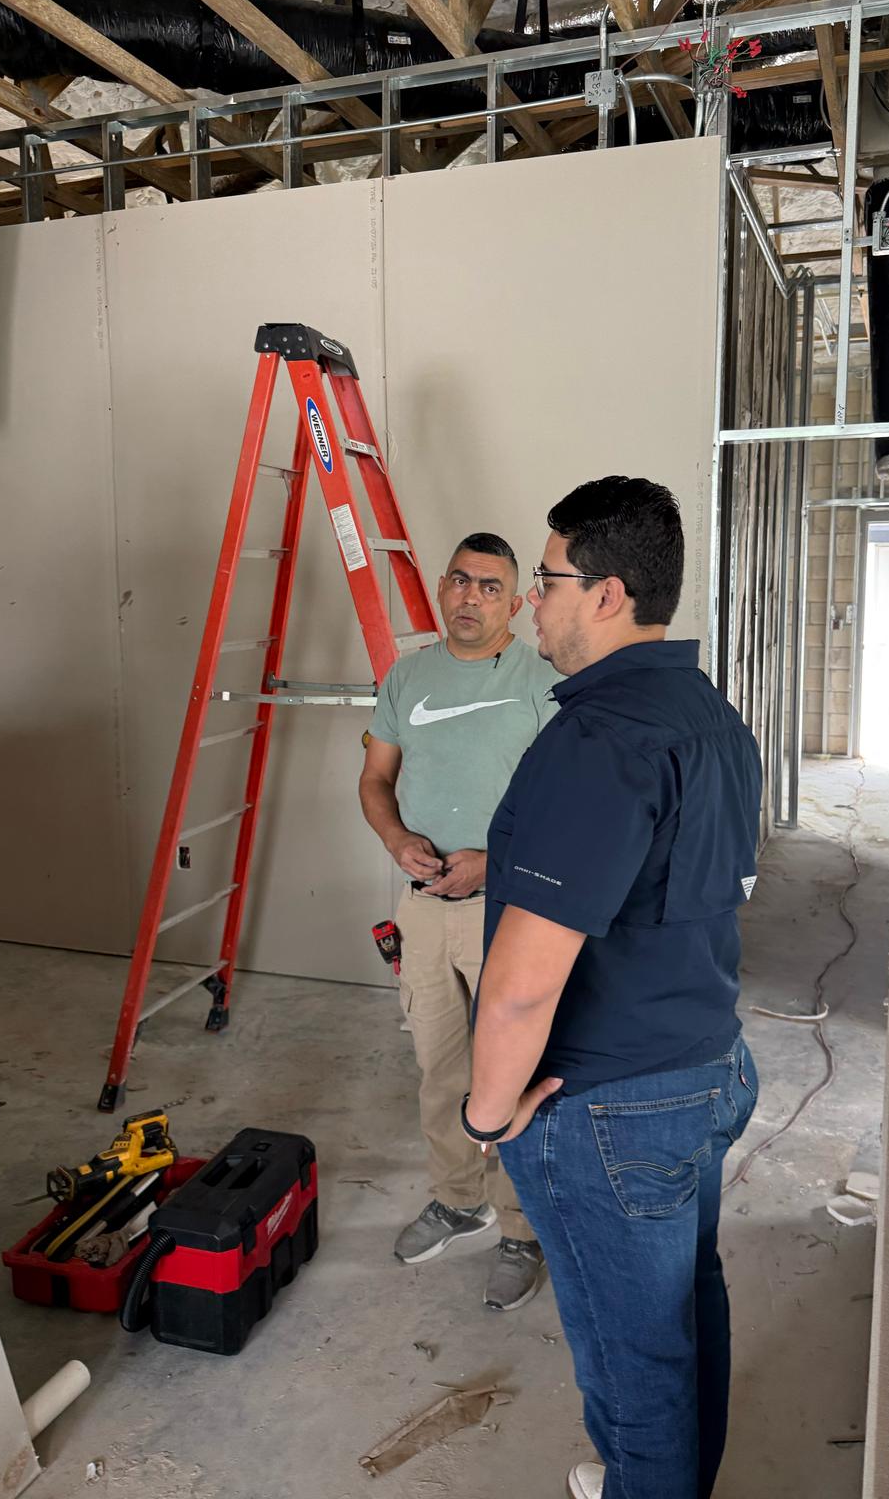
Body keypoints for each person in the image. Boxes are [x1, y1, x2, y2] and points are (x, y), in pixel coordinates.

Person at [463, 477, 763, 1499]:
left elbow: (519, 987)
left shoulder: (598, 741)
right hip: (709, 1066)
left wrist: (487, 1113)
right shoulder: (711, 715)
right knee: (687, 1307)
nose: (528, 602)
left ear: (605, 593)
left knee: (636, 1368)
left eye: (545, 580)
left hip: (611, 1108)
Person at [359, 532, 556, 1311]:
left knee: (512, 1074)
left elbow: (567, 807)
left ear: (516, 602)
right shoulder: (406, 678)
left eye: (490, 586)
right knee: (440, 1068)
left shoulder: (543, 683)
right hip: (424, 910)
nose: (471, 597)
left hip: (509, 910)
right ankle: (457, 1199)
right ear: (442, 587)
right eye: (461, 581)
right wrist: (396, 839)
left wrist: (494, 860)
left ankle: (523, 1229)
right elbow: (375, 779)